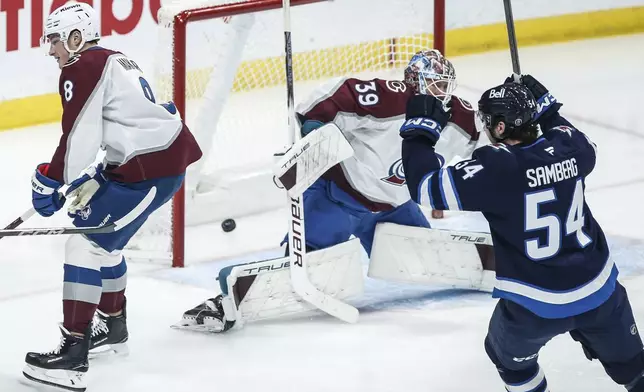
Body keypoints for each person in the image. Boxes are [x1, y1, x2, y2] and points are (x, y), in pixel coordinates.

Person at [176, 49, 481, 333]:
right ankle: (225, 304)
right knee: (301, 270)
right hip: (339, 196)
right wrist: (313, 132)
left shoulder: (459, 118)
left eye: (444, 85)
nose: (441, 92)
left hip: (396, 206)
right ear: (414, 82)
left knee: (426, 259)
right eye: (435, 84)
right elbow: (322, 104)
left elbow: (488, 149)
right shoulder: (387, 98)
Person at [399, 75, 644, 391]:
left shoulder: (496, 168)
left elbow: (425, 189)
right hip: (599, 292)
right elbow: (582, 143)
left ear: (500, 128)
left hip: (533, 306)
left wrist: (419, 133)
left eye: (489, 121)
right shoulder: (570, 147)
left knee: (508, 360)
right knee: (636, 369)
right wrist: (547, 108)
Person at [24, 2, 202, 391]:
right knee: (105, 245)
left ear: (75, 37)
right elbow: (117, 125)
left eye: (54, 39)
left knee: (83, 246)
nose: (51, 49)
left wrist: (51, 181)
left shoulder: (82, 66)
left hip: (149, 171)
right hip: (150, 164)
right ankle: (113, 326)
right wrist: (92, 175)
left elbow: (77, 135)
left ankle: (72, 355)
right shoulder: (112, 59)